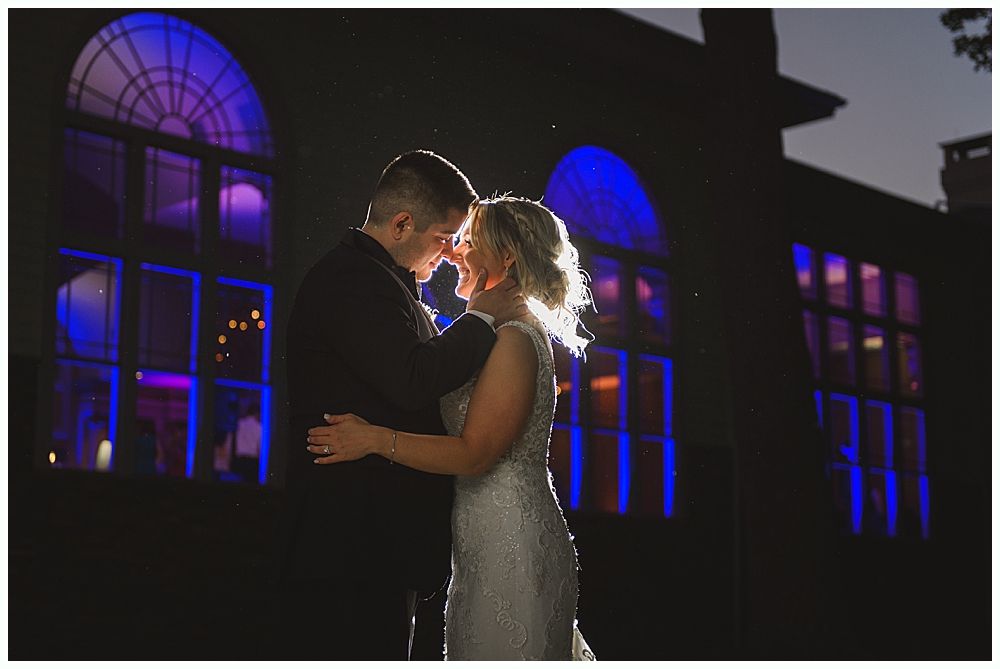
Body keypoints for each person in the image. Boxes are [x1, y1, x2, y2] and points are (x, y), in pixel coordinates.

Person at [307, 196, 597, 660]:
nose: (455, 253)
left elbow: (474, 453)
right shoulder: (487, 334)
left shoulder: (517, 339)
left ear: (506, 257)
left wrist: (374, 439)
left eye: (469, 241)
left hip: (512, 547)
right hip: (481, 544)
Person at [275, 150, 527, 660]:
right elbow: (413, 379)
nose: (449, 253)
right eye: (442, 238)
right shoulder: (351, 280)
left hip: (375, 539)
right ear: (401, 223)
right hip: (348, 539)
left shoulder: (385, 283)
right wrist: (480, 316)